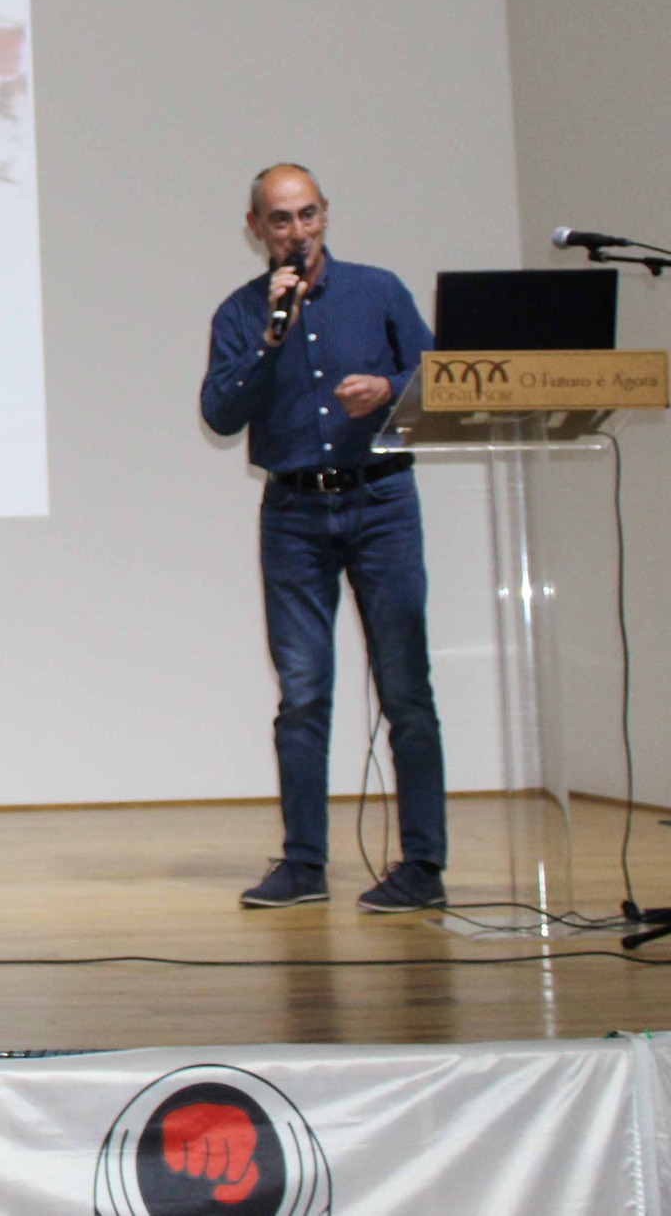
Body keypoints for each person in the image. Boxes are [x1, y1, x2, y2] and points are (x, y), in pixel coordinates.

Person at [200, 163, 447, 913]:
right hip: (295, 515)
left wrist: (389, 390)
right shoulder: (243, 312)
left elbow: (443, 376)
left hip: (382, 504)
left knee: (405, 688)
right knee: (303, 693)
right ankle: (304, 863)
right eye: (280, 219)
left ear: (326, 216)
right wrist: (271, 339)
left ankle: (422, 868)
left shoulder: (378, 290)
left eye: (308, 215)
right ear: (255, 229)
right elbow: (219, 413)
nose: (297, 231)